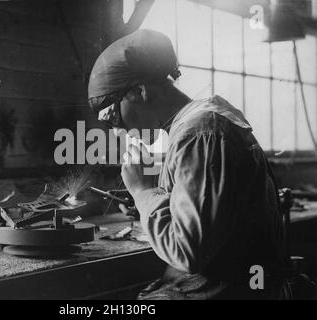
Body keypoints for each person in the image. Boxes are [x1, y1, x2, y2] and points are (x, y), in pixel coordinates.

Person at [88, 29, 289, 299]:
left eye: (113, 117)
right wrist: (148, 201)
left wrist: (144, 193)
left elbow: (187, 252)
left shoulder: (199, 133)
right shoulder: (208, 119)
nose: (116, 131)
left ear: (139, 91)